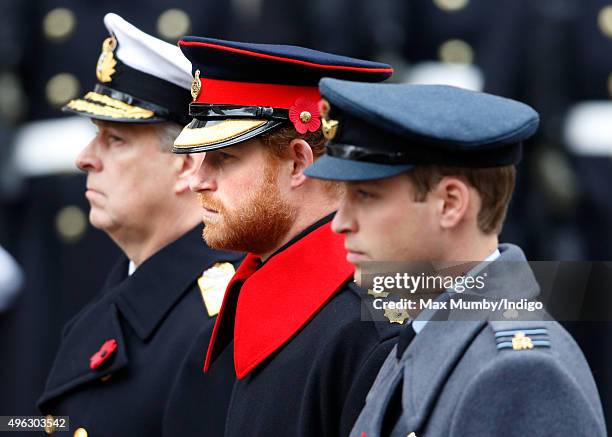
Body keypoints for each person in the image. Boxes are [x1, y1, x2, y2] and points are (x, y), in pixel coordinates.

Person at [304, 79, 607, 436]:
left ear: (450, 204)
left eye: (367, 196)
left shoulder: (517, 374)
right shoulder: (424, 329)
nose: (341, 223)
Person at [170, 37, 398, 436]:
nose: (198, 180)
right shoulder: (251, 303)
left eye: (223, 157)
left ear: (298, 163)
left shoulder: (365, 330)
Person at [36, 14, 240, 437]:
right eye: (96, 136)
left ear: (187, 164)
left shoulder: (215, 323)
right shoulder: (126, 292)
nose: (84, 159)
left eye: (116, 140)